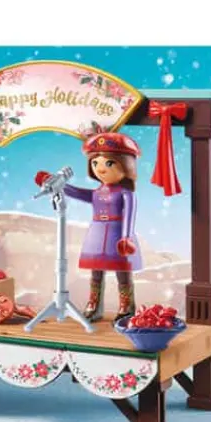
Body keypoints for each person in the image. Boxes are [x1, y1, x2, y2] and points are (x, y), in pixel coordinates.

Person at [36, 131, 142, 322]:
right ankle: (94, 305)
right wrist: (54, 183)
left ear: (126, 165)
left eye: (109, 163)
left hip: (117, 234)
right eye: (95, 163)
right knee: (96, 271)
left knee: (122, 272)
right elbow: (77, 192)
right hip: (97, 234)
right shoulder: (98, 192)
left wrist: (126, 237)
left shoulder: (126, 194)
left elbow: (129, 216)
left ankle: (126, 307)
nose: (100, 169)